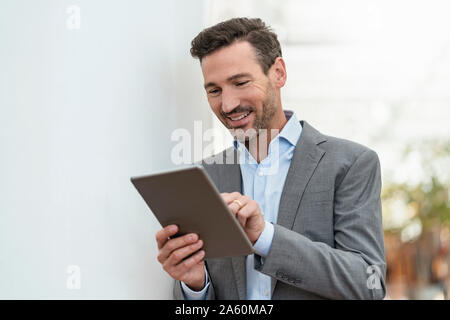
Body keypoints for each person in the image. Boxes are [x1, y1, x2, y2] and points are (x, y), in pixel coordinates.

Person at [155, 17, 386, 300]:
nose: (227, 105)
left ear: (278, 73)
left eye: (240, 82)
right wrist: (195, 285)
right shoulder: (205, 176)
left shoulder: (351, 164)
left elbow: (369, 284)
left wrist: (265, 237)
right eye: (214, 90)